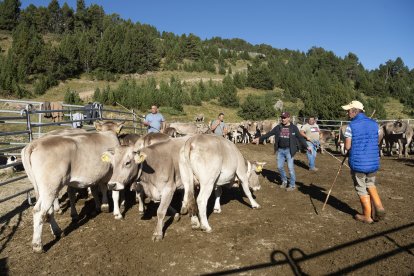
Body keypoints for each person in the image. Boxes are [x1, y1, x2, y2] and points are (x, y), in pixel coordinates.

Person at [342, 100, 385, 223]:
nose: (347, 113)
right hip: (373, 162)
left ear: (354, 111)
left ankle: (367, 216)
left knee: (361, 188)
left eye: (348, 111)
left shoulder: (351, 126)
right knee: (370, 184)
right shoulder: (374, 124)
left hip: (358, 163)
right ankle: (379, 206)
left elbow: (348, 147)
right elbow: (377, 140)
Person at [253, 112, 310, 191]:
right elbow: (269, 134)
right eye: (282, 118)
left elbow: (300, 137)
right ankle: (284, 181)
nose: (283, 119)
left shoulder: (294, 128)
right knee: (279, 167)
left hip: (289, 150)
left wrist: (307, 146)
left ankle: (292, 185)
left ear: (288, 118)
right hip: (280, 150)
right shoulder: (278, 127)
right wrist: (259, 138)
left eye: (284, 118)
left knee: (290, 168)